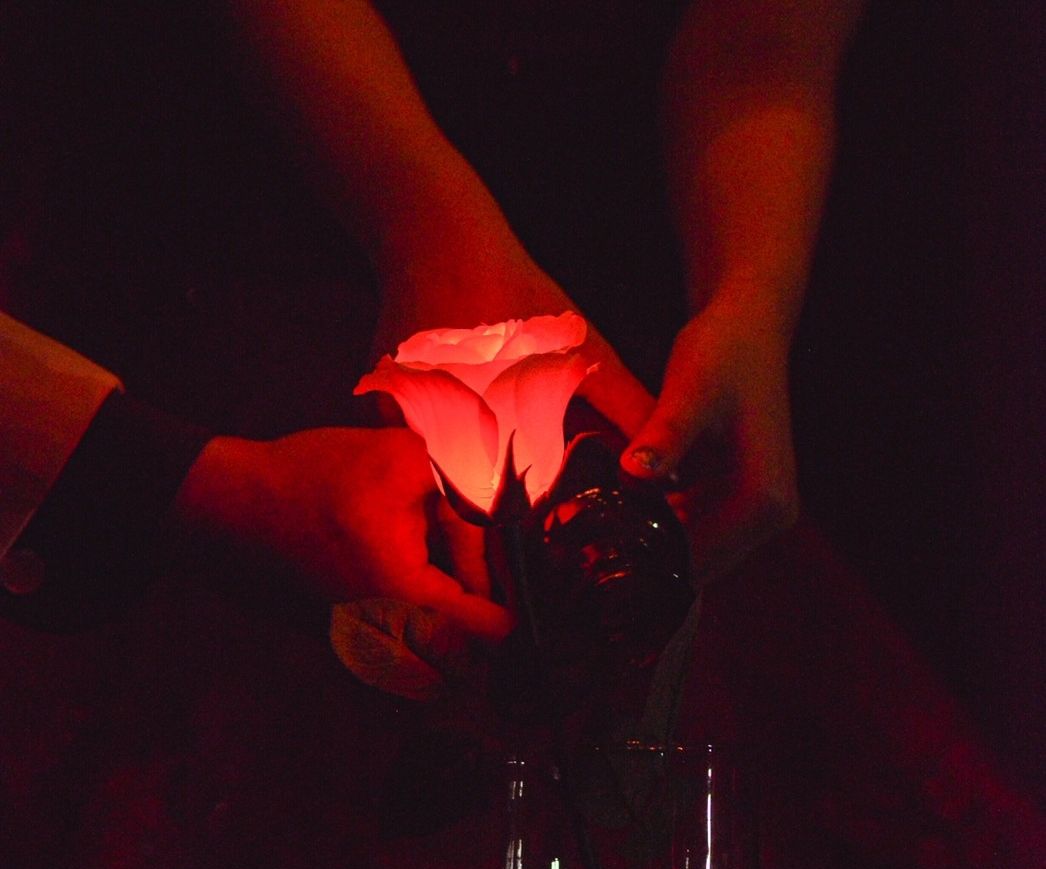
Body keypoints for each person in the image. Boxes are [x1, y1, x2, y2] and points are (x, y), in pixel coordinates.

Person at [0, 0, 862, 636]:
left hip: (611, 308)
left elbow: (762, 48)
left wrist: (751, 299)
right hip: (237, 256)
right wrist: (427, 225)